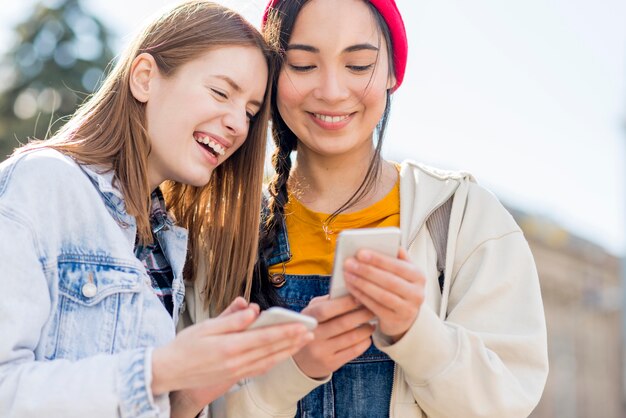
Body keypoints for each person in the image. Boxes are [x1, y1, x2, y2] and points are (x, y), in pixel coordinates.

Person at [188, 0, 549, 416]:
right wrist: (293, 370)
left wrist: (416, 332)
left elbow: (506, 403)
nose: (332, 90)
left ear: (393, 72)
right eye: (304, 65)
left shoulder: (462, 217)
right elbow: (185, 403)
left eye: (358, 66)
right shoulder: (222, 230)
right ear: (272, 76)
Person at [0, 2, 314, 417]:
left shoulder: (163, 242)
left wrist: (189, 393)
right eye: (221, 92)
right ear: (145, 78)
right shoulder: (43, 182)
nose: (239, 124)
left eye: (250, 113)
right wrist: (159, 369)